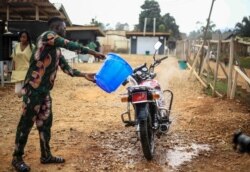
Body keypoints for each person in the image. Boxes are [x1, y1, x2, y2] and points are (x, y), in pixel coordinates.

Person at [11, 17, 105, 172]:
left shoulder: (55, 49)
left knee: (45, 124)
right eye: (64, 28)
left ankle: (46, 156)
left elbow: (67, 69)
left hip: (44, 92)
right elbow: (70, 44)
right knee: (25, 125)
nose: (65, 30)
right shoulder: (47, 36)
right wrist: (92, 52)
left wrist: (85, 75)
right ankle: (17, 158)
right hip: (33, 90)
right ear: (56, 27)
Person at [10, 31, 34, 97]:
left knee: (26, 91)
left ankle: (26, 103)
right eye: (21, 37)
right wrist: (11, 69)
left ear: (27, 38)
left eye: (24, 37)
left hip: (27, 71)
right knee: (18, 92)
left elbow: (35, 60)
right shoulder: (16, 46)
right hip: (18, 70)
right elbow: (14, 58)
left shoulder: (32, 47)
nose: (22, 39)